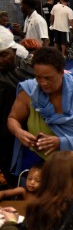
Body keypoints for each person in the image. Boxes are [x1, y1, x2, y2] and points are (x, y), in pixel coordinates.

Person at [8, 47, 73, 173]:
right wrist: (19, 132)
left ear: (62, 72)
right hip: (37, 160)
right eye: (38, 77)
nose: (43, 83)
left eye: (48, 78)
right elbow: (13, 118)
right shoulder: (29, 91)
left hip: (71, 164)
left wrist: (62, 142)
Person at [0, 27, 34, 185]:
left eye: (3, 55)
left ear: (14, 50)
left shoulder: (28, 66)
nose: (0, 60)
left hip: (30, 130)